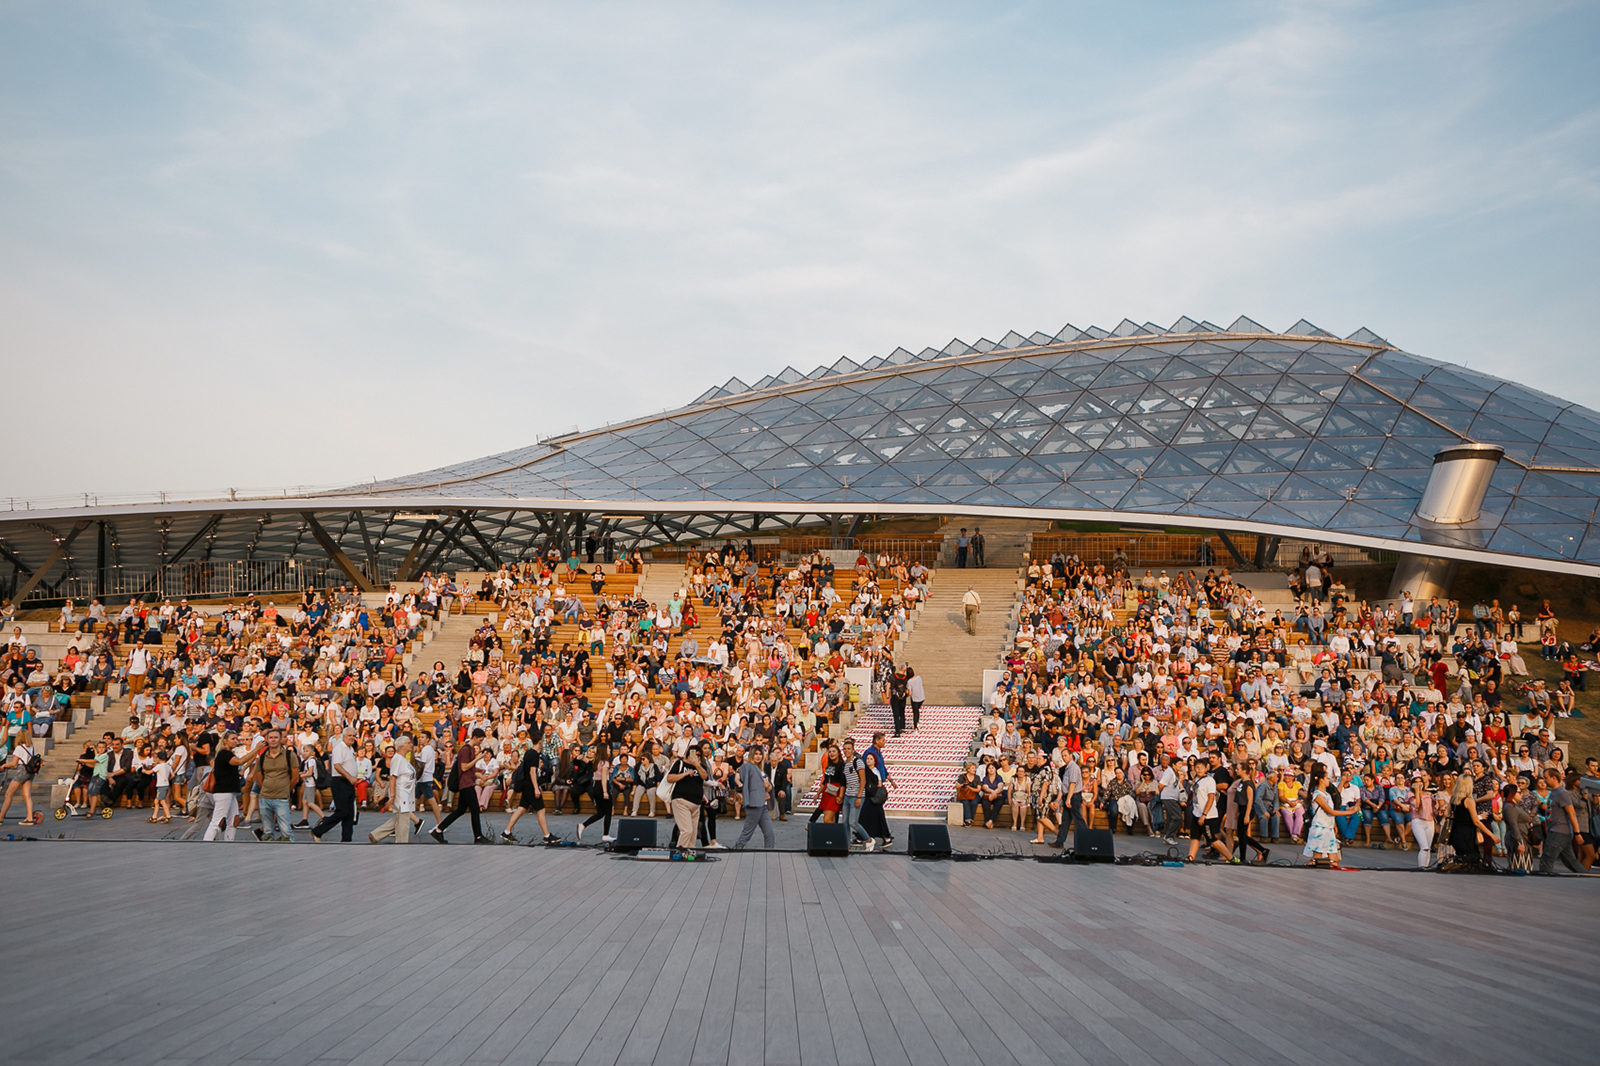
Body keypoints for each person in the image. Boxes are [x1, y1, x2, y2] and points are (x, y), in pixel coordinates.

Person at [431, 728, 489, 844]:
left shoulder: (470, 749)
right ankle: (478, 837)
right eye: (480, 740)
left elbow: (468, 768)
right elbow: (464, 767)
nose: (480, 743)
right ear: (475, 737)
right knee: (475, 809)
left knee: (460, 810)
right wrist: (478, 759)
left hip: (467, 782)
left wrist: (478, 771)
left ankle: (438, 830)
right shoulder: (466, 750)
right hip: (466, 783)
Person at [248, 728, 300, 842]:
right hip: (265, 797)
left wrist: (287, 789)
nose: (273, 740)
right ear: (266, 739)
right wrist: (263, 789)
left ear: (281, 739)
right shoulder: (262, 756)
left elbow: (295, 776)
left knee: (286, 831)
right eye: (271, 737)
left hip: (281, 797)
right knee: (267, 832)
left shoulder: (289, 755)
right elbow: (259, 775)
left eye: (276, 737)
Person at [368, 736, 421, 844]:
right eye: (408, 743)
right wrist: (392, 796)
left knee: (401, 817)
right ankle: (401, 842)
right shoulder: (397, 759)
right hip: (400, 792)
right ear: (401, 746)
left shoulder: (403, 759)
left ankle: (376, 834)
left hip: (406, 792)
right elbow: (393, 777)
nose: (411, 745)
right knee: (403, 819)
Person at [503, 742, 558, 844]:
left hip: (526, 785)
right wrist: (536, 788)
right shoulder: (534, 754)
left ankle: (506, 832)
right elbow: (532, 772)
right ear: (539, 741)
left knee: (521, 809)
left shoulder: (528, 753)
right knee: (541, 810)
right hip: (530, 787)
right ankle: (547, 836)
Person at [313, 726, 362, 843]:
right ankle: (318, 830)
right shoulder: (339, 748)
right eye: (349, 735)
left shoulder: (350, 749)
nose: (352, 738)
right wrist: (350, 777)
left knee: (350, 814)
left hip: (348, 782)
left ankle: (346, 839)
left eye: (353, 736)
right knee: (342, 811)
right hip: (340, 782)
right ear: (343, 736)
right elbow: (337, 765)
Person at [1303, 763, 1357, 868]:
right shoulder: (1317, 795)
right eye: (1326, 778)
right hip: (1319, 827)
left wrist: (1334, 824)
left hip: (1328, 827)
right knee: (1317, 856)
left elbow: (1332, 811)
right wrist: (1350, 812)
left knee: (1334, 859)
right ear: (1321, 780)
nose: (1328, 780)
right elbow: (1330, 811)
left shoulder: (1327, 794)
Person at [1540, 767, 1585, 874]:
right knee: (1570, 861)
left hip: (1560, 831)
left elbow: (1571, 813)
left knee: (1547, 857)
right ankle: (1586, 875)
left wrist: (1577, 833)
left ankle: (1543, 880)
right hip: (1555, 829)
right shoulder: (1553, 792)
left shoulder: (1562, 793)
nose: (1544, 780)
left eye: (1546, 778)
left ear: (1554, 778)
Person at [732, 746, 776, 849]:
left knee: (769, 833)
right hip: (754, 804)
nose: (758, 756)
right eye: (756, 754)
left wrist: (767, 785)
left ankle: (769, 854)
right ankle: (736, 849)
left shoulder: (761, 769)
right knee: (747, 833)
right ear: (751, 755)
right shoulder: (748, 767)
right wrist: (763, 784)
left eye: (760, 754)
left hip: (763, 804)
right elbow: (742, 776)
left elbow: (769, 787)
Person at [666, 742, 706, 853]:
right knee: (686, 830)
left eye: (699, 755)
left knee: (693, 833)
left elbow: (705, 777)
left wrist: (697, 765)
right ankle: (680, 851)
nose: (697, 757)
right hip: (681, 800)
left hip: (696, 804)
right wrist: (685, 774)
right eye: (694, 754)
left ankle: (689, 853)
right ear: (688, 754)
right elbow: (670, 778)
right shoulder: (680, 764)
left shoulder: (701, 766)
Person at [203, 734, 244, 841]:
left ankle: (229, 841)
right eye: (233, 739)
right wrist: (256, 750)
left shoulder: (228, 754)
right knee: (218, 820)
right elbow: (239, 762)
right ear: (225, 741)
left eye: (236, 739)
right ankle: (206, 843)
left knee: (234, 819)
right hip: (223, 791)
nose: (235, 741)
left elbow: (240, 763)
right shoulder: (224, 754)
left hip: (230, 791)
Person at [0, 737, 40, 824]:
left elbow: (14, 764)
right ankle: (30, 818)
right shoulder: (31, 747)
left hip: (22, 772)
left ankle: (1, 818)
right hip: (30, 772)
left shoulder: (19, 748)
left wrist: (5, 765)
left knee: (8, 794)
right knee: (27, 796)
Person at [888, 667, 909, 737]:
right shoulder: (906, 678)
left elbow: (888, 685)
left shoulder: (893, 676)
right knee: (902, 712)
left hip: (894, 697)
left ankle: (897, 731)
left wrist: (888, 695)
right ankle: (902, 727)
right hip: (903, 697)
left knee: (896, 714)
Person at [906, 667, 925, 732]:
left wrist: (906, 695)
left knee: (915, 712)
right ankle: (917, 722)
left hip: (915, 699)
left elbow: (909, 693)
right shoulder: (919, 677)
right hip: (921, 697)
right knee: (917, 711)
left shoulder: (909, 682)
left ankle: (915, 727)